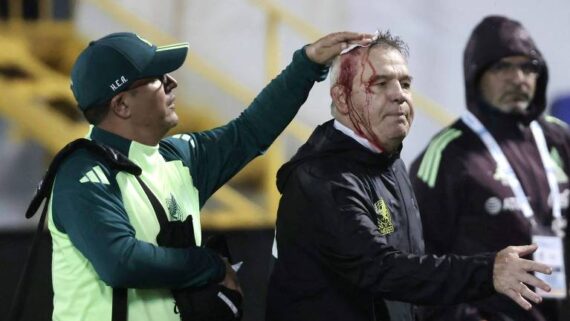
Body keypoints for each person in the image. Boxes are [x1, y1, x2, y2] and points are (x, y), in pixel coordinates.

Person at [46, 31, 372, 321]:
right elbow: (119, 262)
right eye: (156, 76)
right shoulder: (82, 174)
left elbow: (249, 131)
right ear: (122, 105)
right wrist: (211, 266)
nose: (172, 81)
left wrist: (307, 64)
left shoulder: (179, 157)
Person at [265, 30, 553, 321]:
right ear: (341, 97)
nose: (399, 95)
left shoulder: (385, 160)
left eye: (405, 83)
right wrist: (488, 271)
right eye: (379, 84)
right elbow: (384, 269)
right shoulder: (323, 180)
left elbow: (410, 273)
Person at [409, 16, 570, 321]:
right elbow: (419, 265)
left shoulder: (558, 139)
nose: (518, 78)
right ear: (475, 75)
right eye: (502, 67)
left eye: (527, 67)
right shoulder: (447, 154)